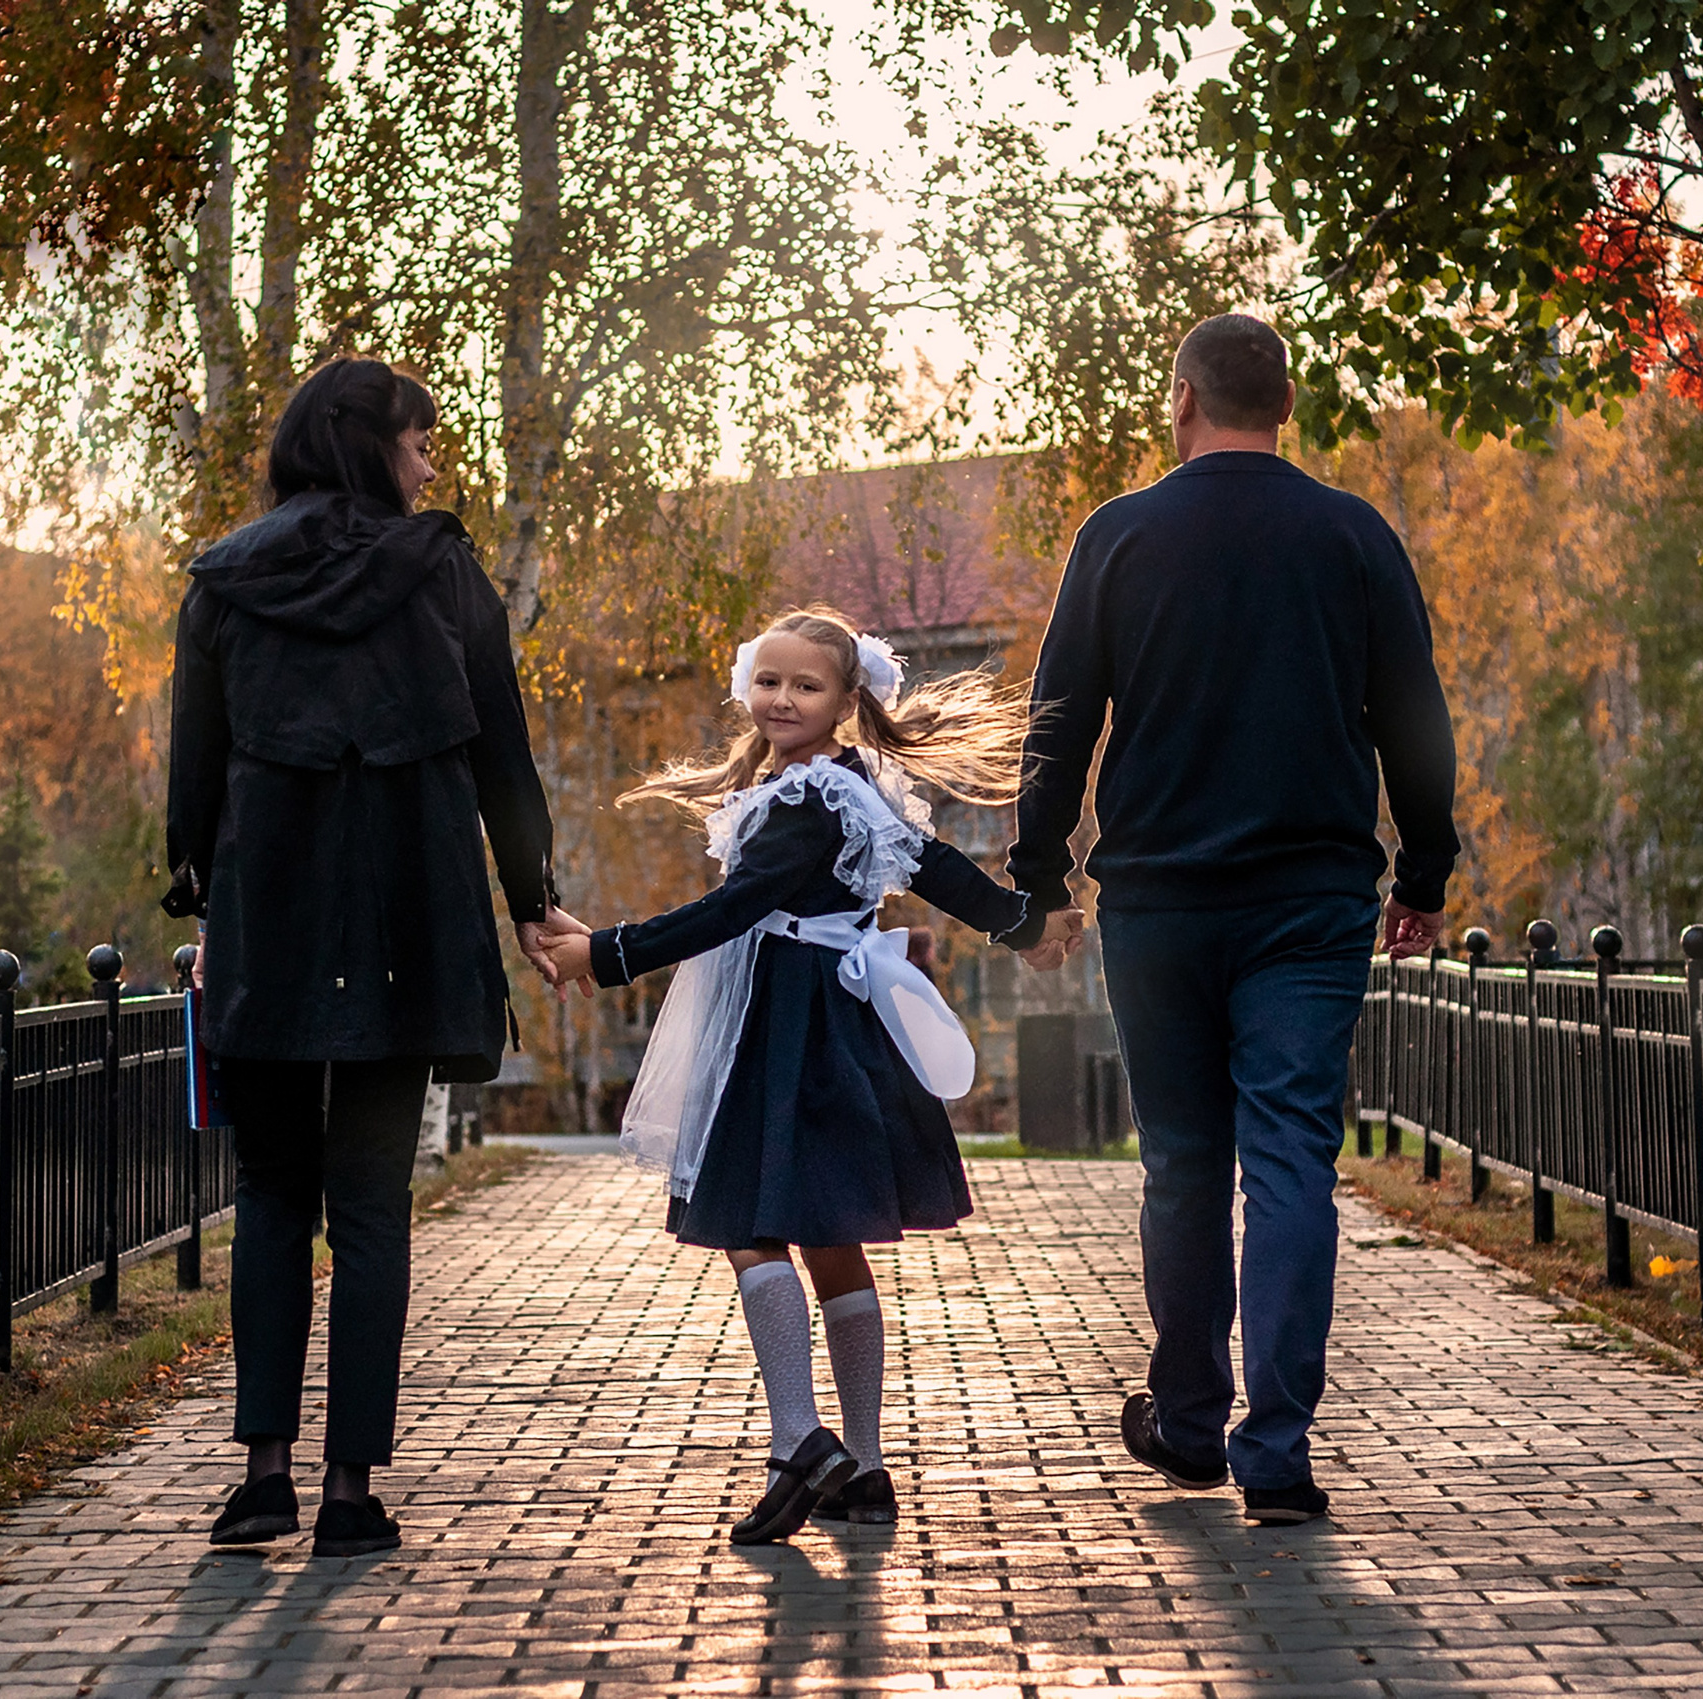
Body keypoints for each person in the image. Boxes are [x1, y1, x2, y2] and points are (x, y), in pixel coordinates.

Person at [1005, 313, 1461, 1527]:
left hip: (1156, 901)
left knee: (1184, 1164)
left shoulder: (1118, 534)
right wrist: (1422, 873)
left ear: (1180, 398)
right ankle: (1278, 1450)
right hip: (1309, 905)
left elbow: (1060, 721)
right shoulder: (1351, 534)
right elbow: (1412, 714)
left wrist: (1040, 875)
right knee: (1293, 1162)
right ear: (1287, 405)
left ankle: (1192, 1420)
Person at [532, 607, 1080, 1544]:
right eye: (769, 680)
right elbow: (938, 865)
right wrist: (1023, 925)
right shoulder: (847, 784)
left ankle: (800, 1442)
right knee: (829, 1240)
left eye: (807, 686)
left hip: (788, 1026)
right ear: (748, 684)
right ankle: (864, 1468)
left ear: (845, 700)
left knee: (748, 1224)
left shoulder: (808, 799)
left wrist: (606, 952)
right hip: (835, 1024)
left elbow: (736, 906)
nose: (783, 698)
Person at [163, 357, 556, 1558]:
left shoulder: (225, 580)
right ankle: (349, 1496)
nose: (433, 459)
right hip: (408, 917)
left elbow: (195, 761)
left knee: (274, 1195)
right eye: (420, 437)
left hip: (270, 920)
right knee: (372, 1203)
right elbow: (501, 750)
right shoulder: (441, 575)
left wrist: (198, 903)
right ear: (366, 442)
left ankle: (261, 1479)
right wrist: (534, 900)